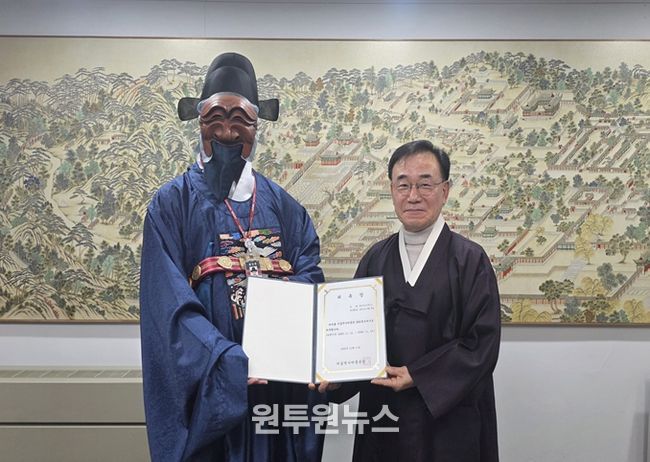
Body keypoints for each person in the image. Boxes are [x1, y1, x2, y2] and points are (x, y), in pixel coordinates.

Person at [139, 52, 325, 462]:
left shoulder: (287, 209)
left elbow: (311, 280)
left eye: (240, 119)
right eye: (215, 118)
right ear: (199, 122)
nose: (226, 131)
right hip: (212, 393)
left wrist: (285, 347)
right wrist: (227, 361)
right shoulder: (171, 206)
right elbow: (168, 308)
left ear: (257, 127)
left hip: (276, 390)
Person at [319, 140, 501, 461]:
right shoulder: (375, 258)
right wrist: (337, 379)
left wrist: (418, 375)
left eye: (425, 184)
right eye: (403, 185)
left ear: (445, 190)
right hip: (384, 414)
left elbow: (481, 345)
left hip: (448, 419)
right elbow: (355, 337)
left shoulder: (470, 260)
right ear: (392, 190)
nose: (413, 196)